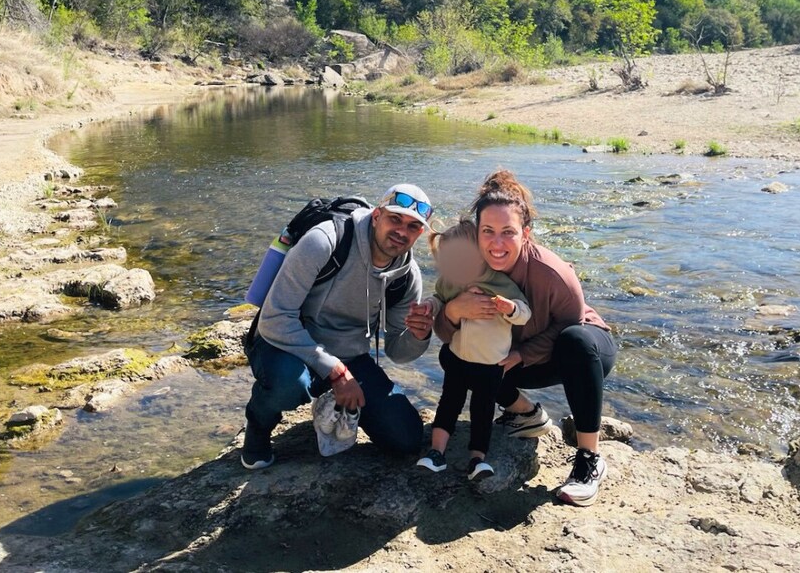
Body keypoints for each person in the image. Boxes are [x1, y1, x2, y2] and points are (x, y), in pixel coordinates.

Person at [433, 170, 617, 506]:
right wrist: (452, 312)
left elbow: (570, 324)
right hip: (512, 353)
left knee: (576, 342)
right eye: (488, 232)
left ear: (526, 234)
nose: (497, 244)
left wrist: (522, 355)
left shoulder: (553, 272)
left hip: (581, 349)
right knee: (453, 358)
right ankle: (527, 413)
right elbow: (446, 336)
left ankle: (590, 458)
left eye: (508, 233)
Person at [241, 184, 437, 469]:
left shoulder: (407, 276)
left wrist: (420, 336)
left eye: (412, 226)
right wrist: (335, 371)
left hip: (350, 355)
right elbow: (274, 318)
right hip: (286, 345)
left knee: (406, 439)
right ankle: (258, 426)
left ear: (420, 233)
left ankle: (326, 395)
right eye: (395, 219)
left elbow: (398, 351)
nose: (401, 232)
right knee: (288, 384)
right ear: (376, 216)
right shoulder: (325, 241)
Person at [414, 218, 532, 481]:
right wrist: (430, 307)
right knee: (448, 403)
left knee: (483, 410)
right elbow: (438, 298)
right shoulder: (450, 281)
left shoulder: (501, 284)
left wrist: (510, 309)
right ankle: (436, 453)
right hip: (457, 358)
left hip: (491, 364)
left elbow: (525, 313)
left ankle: (477, 459)